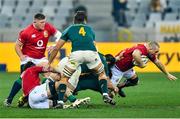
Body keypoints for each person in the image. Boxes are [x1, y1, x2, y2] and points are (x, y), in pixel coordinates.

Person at [48, 11, 115, 107]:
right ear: (85, 21)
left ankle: (60, 102)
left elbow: (57, 48)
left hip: (76, 54)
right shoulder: (90, 30)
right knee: (102, 74)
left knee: (64, 79)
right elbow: (93, 44)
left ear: (74, 20)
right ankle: (105, 94)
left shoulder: (69, 29)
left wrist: (49, 62)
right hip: (91, 53)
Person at [4, 13, 62, 107]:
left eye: (44, 22)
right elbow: (17, 46)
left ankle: (53, 100)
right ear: (35, 22)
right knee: (24, 76)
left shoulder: (47, 27)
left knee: (50, 74)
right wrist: (21, 55)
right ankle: (9, 99)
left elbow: (60, 35)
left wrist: (55, 45)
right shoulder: (26, 32)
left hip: (41, 58)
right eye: (41, 22)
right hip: (28, 58)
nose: (44, 24)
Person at [110, 41, 177, 97]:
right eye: (156, 51)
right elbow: (135, 54)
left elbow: (157, 62)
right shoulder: (142, 48)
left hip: (127, 68)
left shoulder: (148, 53)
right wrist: (141, 64)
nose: (156, 54)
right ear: (150, 49)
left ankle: (119, 87)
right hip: (117, 68)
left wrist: (167, 74)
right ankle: (110, 93)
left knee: (135, 81)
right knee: (111, 91)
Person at [21, 61, 90, 109]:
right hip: (35, 92)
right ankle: (74, 100)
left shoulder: (24, 79)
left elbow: (25, 96)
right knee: (60, 83)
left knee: (55, 103)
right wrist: (59, 71)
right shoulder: (32, 69)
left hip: (32, 104)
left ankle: (62, 104)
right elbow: (49, 68)